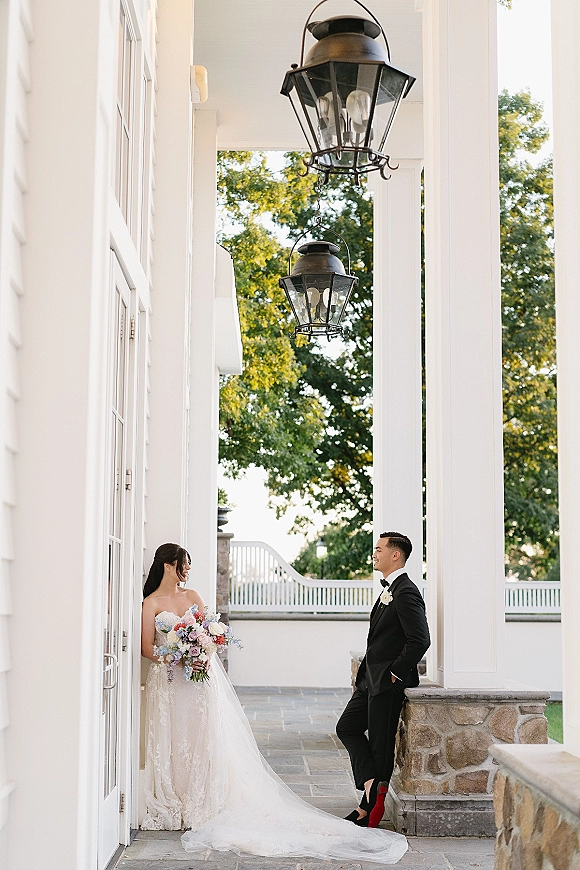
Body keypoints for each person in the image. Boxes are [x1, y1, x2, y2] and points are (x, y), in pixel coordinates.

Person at [141, 542, 408, 863]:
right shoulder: (150, 603)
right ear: (168, 565)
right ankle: (176, 799)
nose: (187, 571)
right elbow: (146, 648)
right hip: (170, 682)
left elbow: (209, 636)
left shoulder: (193, 597)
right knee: (173, 740)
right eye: (183, 564)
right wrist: (179, 655)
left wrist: (200, 652)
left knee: (200, 741)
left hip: (198, 684)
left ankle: (200, 797)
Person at [337, 532, 430, 828]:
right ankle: (370, 785)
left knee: (380, 743)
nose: (374, 554)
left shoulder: (406, 591)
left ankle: (367, 810)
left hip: (388, 682)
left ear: (395, 555)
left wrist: (395, 672)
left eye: (379, 549)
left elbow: (420, 640)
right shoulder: (389, 589)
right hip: (370, 679)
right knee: (347, 727)